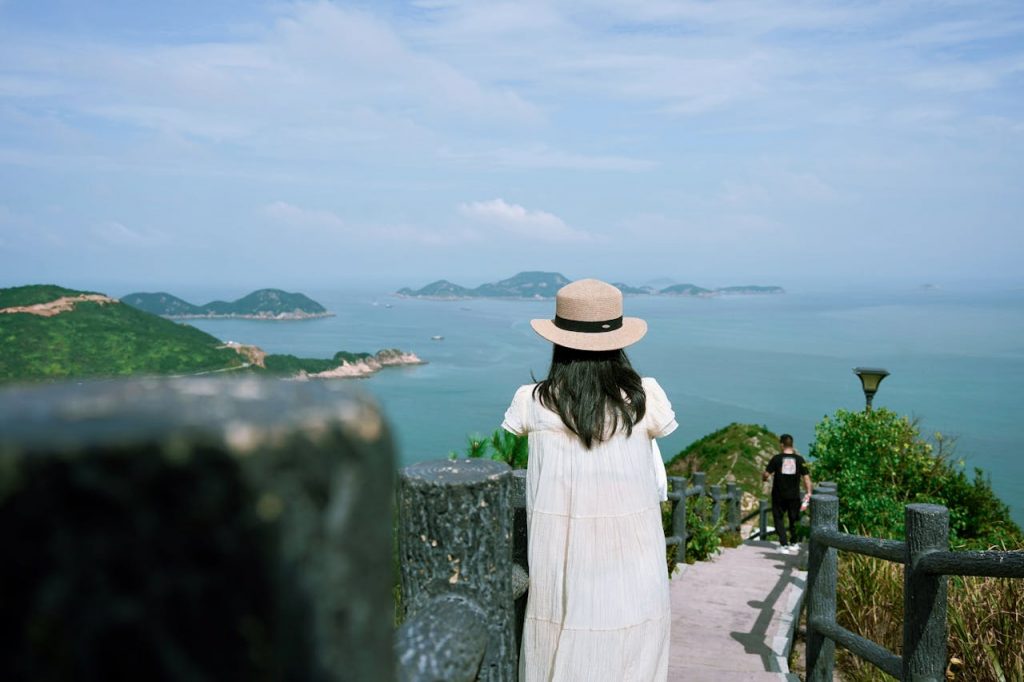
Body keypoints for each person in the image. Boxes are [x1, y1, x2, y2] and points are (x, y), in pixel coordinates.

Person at [502, 278, 676, 682]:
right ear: (617, 339)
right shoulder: (643, 397)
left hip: (561, 572)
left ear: (558, 340)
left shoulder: (533, 401)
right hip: (637, 571)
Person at [762, 434, 812, 554]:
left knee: (778, 518)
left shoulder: (776, 459)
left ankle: (784, 544)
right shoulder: (799, 460)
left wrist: (763, 478)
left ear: (781, 445)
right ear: (792, 445)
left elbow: (766, 474)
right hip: (794, 495)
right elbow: (806, 478)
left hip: (778, 495)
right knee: (794, 519)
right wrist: (809, 492)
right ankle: (794, 543)